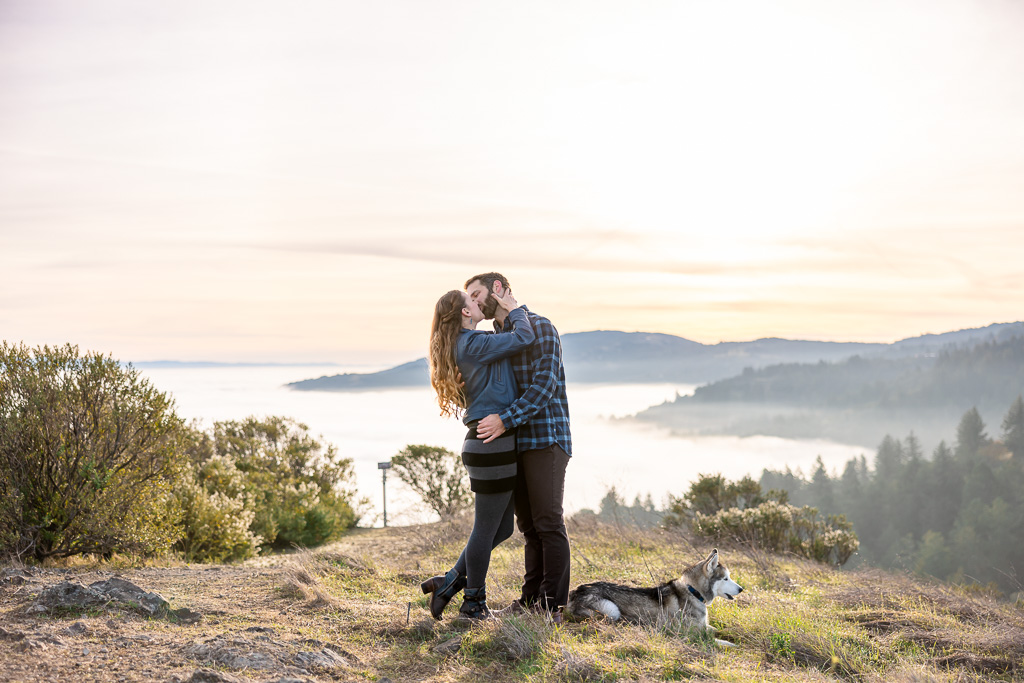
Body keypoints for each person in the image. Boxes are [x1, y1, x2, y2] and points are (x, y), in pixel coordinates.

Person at [420, 286, 535, 620]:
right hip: (491, 444)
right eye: (472, 300)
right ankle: (473, 603)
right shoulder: (473, 344)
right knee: (485, 529)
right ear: (466, 313)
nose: (478, 301)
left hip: (487, 443)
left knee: (501, 530)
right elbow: (523, 336)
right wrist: (515, 308)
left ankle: (449, 581)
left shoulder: (467, 344)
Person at [465, 272, 572, 618]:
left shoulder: (541, 327)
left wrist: (504, 419)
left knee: (548, 522)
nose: (475, 302)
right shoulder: (498, 339)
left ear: (498, 289)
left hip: (546, 437)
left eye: (477, 294)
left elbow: (544, 386)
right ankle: (531, 601)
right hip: (514, 444)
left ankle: (553, 605)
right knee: (528, 528)